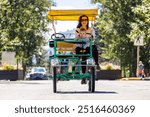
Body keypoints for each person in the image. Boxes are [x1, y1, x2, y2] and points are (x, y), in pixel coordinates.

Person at [75, 15, 100, 84]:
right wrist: (79, 35)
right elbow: (76, 39)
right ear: (80, 21)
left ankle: (97, 63)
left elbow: (93, 38)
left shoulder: (91, 29)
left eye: (85, 20)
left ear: (87, 21)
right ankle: (83, 76)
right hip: (81, 47)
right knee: (84, 57)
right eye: (82, 20)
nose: (84, 21)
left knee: (94, 47)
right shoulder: (77, 29)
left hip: (88, 46)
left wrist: (90, 37)